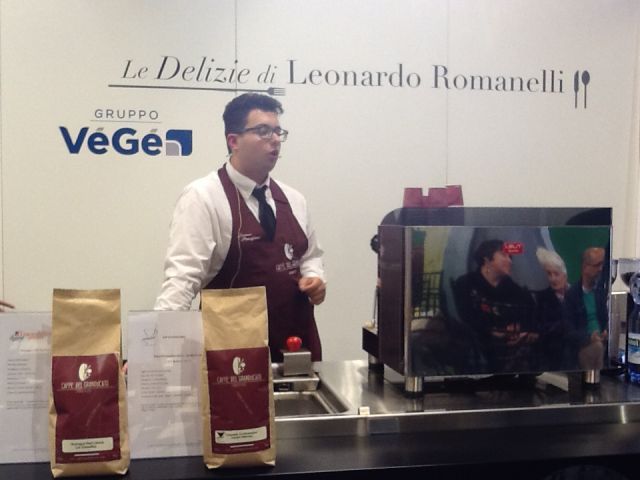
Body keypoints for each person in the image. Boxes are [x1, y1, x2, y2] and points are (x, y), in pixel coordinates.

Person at [154, 93, 326, 361]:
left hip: (295, 348)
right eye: (263, 131)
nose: (275, 139)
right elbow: (182, 278)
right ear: (233, 140)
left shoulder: (294, 199)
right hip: (232, 356)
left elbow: (310, 256)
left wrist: (314, 278)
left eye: (278, 131)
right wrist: (154, 349)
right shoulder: (203, 197)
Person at [452, 239, 537, 373]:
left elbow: (531, 312)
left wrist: (523, 332)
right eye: (504, 255)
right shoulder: (465, 284)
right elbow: (464, 317)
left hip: (510, 351)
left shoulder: (514, 288)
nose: (510, 261)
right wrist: (491, 332)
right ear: (487, 259)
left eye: (510, 257)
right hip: (475, 350)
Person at [564, 247, 608, 370]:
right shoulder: (572, 295)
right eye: (597, 265)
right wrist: (589, 338)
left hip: (602, 342)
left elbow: (605, 319)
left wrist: (605, 331)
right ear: (585, 267)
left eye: (602, 265)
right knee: (597, 347)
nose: (600, 269)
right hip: (582, 346)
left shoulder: (600, 292)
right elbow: (568, 331)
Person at [534, 247, 570, 370]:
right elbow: (542, 329)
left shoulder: (577, 295)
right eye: (549, 274)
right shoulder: (542, 298)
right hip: (554, 353)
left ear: (564, 275)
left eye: (556, 274)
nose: (552, 279)